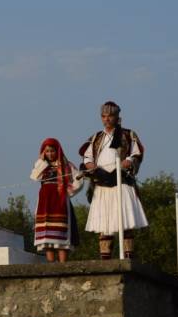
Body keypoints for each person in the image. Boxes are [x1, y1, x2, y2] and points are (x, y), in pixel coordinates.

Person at [79, 101, 148, 260]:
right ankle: (105, 262)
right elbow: (87, 157)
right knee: (105, 225)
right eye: (104, 116)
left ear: (117, 117)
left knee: (126, 222)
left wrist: (128, 161)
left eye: (110, 116)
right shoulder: (96, 137)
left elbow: (136, 153)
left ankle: (129, 260)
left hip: (122, 181)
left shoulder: (128, 134)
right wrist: (91, 166)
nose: (107, 119)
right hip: (102, 183)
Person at [30, 138, 82, 263]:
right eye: (47, 151)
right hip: (45, 202)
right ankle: (50, 265)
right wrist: (42, 161)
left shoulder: (67, 165)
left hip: (60, 201)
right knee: (47, 234)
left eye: (52, 151)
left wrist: (68, 191)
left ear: (57, 151)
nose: (50, 154)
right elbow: (35, 176)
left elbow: (79, 179)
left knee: (61, 232)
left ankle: (63, 264)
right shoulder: (42, 166)